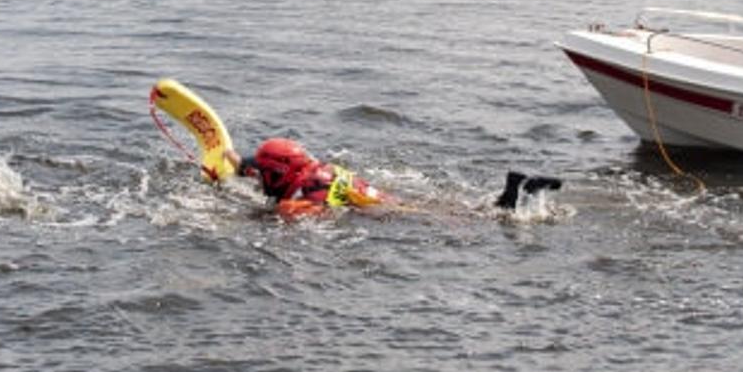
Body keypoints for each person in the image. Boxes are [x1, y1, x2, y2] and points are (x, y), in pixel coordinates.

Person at [226, 138, 559, 219]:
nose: (258, 178)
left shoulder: (304, 197)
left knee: (463, 220)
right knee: (455, 209)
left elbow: (295, 214)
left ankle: (514, 201)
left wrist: (262, 216)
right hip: (386, 198)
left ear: (279, 172)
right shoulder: (314, 168)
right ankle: (513, 194)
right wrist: (234, 161)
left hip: (392, 217)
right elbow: (263, 165)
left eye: (261, 174)